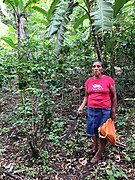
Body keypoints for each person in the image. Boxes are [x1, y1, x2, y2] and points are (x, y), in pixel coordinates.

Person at [77, 61, 117, 164]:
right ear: (92, 69)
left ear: (102, 69)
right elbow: (86, 96)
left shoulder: (108, 80)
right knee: (93, 130)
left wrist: (113, 110)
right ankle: (95, 148)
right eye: (94, 66)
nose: (96, 68)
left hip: (104, 110)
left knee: (103, 132)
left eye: (98, 66)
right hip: (92, 110)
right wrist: (81, 107)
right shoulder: (88, 81)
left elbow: (113, 96)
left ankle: (99, 153)